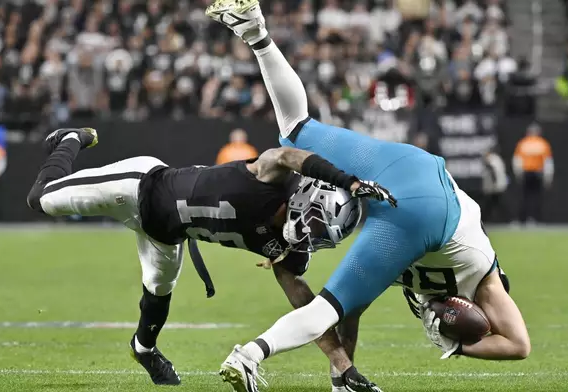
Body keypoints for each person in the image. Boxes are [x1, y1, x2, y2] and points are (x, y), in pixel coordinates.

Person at [206, 3, 531, 392]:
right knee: (328, 306)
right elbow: (519, 345)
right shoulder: (485, 277)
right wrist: (458, 346)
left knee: (295, 127)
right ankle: (249, 356)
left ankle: (255, 32)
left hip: (413, 165)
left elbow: (355, 309)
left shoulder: (468, 275)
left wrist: (342, 372)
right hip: (425, 214)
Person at [26, 127, 393, 389]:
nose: (312, 237)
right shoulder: (271, 177)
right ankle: (70, 139)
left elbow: (310, 311)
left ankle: (144, 349)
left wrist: (341, 364)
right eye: (317, 225)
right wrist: (349, 181)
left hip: (166, 233)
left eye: (322, 238)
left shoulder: (286, 247)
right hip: (138, 187)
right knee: (40, 199)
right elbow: (287, 154)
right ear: (312, 196)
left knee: (158, 291)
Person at [512, 123, 553, 225]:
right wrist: (548, 177)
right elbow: (548, 162)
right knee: (536, 197)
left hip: (526, 173)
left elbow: (517, 160)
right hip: (537, 173)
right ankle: (534, 219)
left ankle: (522, 219)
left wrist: (518, 173)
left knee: (524, 196)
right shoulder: (543, 143)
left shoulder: (523, 143)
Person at [481, 147, 510, 222]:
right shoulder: (497, 159)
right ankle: (506, 219)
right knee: (494, 204)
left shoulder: (492, 159)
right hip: (498, 185)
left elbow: (493, 172)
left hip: (495, 186)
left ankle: (485, 219)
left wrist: (494, 184)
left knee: (491, 204)